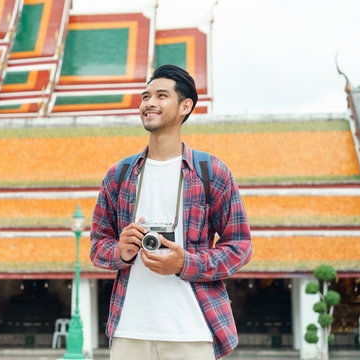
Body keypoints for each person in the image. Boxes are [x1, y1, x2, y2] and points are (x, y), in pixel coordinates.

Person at [90, 64, 252, 360]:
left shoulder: (211, 172)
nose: (149, 103)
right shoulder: (120, 175)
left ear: (185, 106)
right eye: (145, 96)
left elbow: (239, 248)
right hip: (129, 332)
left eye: (161, 96)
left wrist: (185, 263)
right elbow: (98, 246)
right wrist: (120, 251)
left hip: (191, 331)